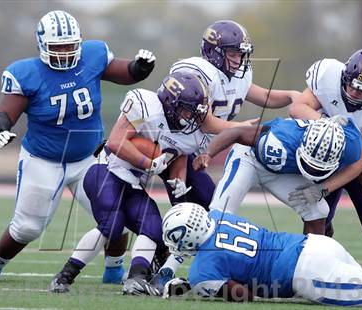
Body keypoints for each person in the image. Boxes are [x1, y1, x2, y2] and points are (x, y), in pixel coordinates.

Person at [0, 10, 156, 283]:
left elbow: (125, 73)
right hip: (43, 159)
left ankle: (114, 269)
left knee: (116, 210)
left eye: (70, 45)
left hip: (89, 158)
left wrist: (140, 68)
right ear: (43, 45)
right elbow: (5, 111)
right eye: (59, 47)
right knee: (27, 228)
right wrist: (0, 129)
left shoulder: (93, 56)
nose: (66, 52)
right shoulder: (27, 73)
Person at [48, 71, 241, 294]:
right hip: (106, 170)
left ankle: (136, 279)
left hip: (133, 183)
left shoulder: (190, 133)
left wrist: (179, 180)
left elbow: (178, 155)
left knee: (153, 227)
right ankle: (64, 277)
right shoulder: (146, 106)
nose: (192, 117)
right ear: (171, 103)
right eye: (188, 110)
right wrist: (147, 162)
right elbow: (116, 141)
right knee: (112, 224)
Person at [163, 20, 300, 208]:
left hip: (195, 149)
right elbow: (206, 122)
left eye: (241, 54)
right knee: (206, 207)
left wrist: (292, 95)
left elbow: (264, 96)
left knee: (206, 208)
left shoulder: (237, 76)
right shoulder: (199, 74)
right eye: (233, 54)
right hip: (176, 148)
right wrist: (241, 128)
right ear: (213, 52)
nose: (238, 60)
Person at [161, 202, 362, 306]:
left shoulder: (202, 272)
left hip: (306, 272)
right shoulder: (218, 214)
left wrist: (199, 287)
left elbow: (245, 296)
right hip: (317, 243)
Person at [192, 116, 362, 235]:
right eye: (310, 164)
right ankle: (174, 264)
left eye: (319, 169)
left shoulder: (352, 148)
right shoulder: (280, 140)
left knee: (319, 211)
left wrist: (361, 171)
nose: (313, 172)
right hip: (249, 159)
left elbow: (356, 165)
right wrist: (208, 153)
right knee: (219, 213)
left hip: (281, 172)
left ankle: (309, 262)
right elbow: (238, 132)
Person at [288, 48, 362, 239]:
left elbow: (358, 165)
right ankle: (314, 261)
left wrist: (323, 189)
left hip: (359, 161)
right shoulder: (328, 74)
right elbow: (297, 108)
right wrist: (329, 125)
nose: (354, 92)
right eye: (352, 85)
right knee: (318, 222)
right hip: (326, 156)